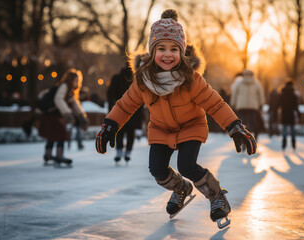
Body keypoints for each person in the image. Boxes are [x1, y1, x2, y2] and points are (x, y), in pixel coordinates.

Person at [95, 9, 257, 228]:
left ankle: (216, 196)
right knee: (157, 170)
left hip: (191, 127)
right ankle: (181, 189)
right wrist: (110, 125)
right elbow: (125, 105)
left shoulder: (191, 79)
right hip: (161, 129)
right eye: (161, 48)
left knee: (187, 166)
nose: (168, 54)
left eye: (174, 49)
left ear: (182, 51)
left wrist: (235, 126)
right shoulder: (143, 81)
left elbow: (215, 104)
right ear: (152, 51)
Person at [38, 68, 88, 166]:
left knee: (52, 135)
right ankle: (59, 156)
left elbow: (74, 104)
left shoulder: (69, 90)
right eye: (76, 81)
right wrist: (67, 113)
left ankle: (48, 155)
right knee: (62, 134)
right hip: (52, 115)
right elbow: (58, 99)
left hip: (52, 115)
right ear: (71, 80)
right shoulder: (64, 86)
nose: (77, 83)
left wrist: (82, 117)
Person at [107, 65, 144, 164]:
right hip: (134, 111)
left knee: (119, 132)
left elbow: (110, 94)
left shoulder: (116, 78)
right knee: (130, 134)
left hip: (120, 109)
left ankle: (119, 151)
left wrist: (111, 109)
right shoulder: (136, 79)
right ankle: (127, 152)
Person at [229, 69, 265, 141]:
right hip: (253, 106)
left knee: (242, 124)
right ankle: (254, 138)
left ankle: (243, 139)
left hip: (241, 106)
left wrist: (233, 103)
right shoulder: (257, 83)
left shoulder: (239, 83)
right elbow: (261, 95)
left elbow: (235, 94)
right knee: (254, 123)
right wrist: (261, 104)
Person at [277, 79, 300, 150]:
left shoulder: (282, 94)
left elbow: (279, 104)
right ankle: (293, 143)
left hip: (284, 113)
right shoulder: (293, 95)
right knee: (292, 129)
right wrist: (298, 113)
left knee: (284, 129)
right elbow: (295, 106)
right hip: (291, 114)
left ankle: (284, 143)